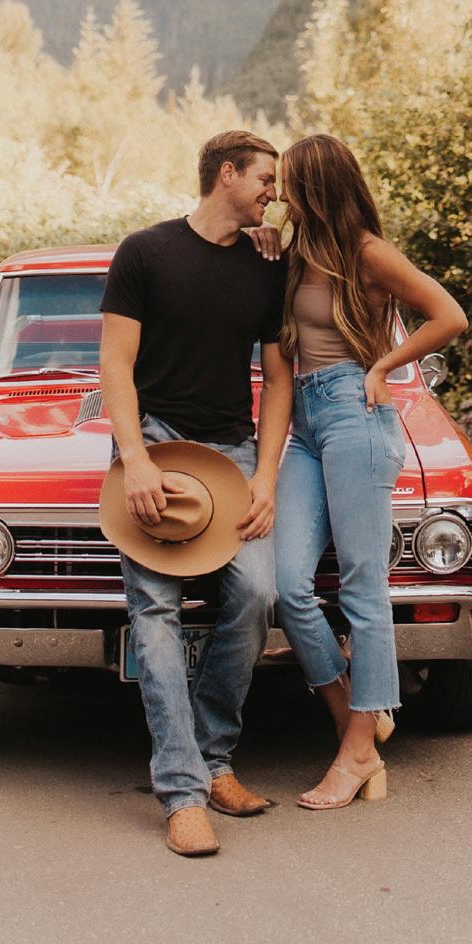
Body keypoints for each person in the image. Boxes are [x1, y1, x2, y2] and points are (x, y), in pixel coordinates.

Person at [99, 128, 293, 859]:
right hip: (153, 444)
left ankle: (215, 759)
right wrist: (135, 462)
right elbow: (114, 365)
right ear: (227, 174)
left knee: (256, 594)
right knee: (154, 611)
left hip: (232, 453)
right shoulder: (144, 251)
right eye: (266, 180)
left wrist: (266, 475)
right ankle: (182, 793)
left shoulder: (268, 267)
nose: (274, 194)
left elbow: (278, 379)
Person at [263, 132, 467, 810]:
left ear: (317, 186)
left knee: (362, 588)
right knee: (286, 584)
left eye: (289, 181)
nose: (280, 193)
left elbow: (449, 316)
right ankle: (353, 716)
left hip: (356, 413)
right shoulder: (294, 252)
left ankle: (355, 752)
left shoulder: (369, 253)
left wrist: (384, 365)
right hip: (305, 424)